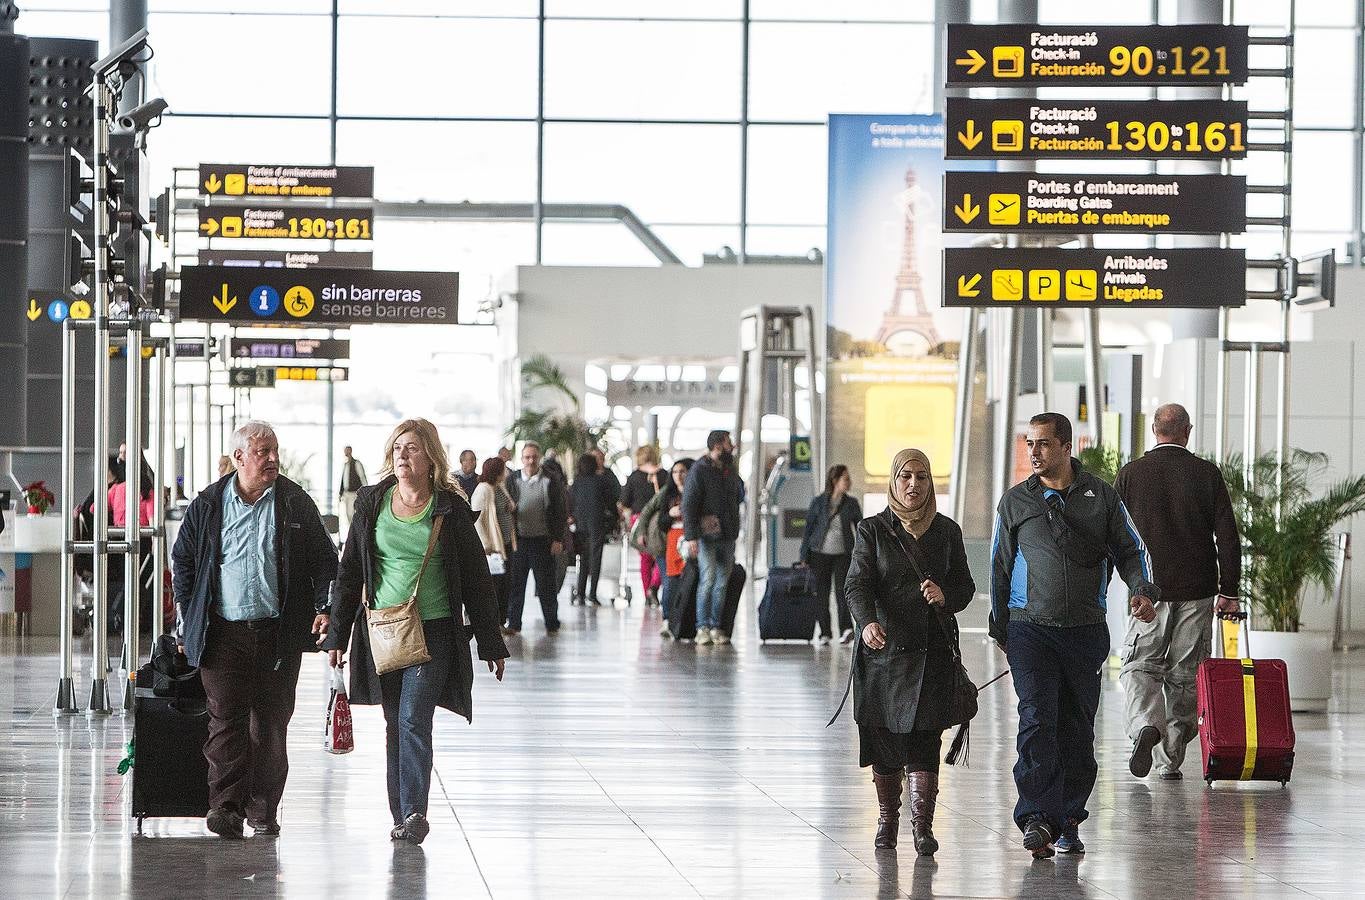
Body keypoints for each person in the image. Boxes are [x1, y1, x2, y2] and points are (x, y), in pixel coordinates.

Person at [325, 418, 509, 844]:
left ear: (431, 457)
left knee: (413, 718)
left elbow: (477, 578)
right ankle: (401, 813)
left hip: (435, 630)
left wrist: (491, 642)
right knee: (395, 722)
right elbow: (350, 571)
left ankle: (414, 811)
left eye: (411, 449)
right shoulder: (372, 502)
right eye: (397, 449)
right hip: (383, 630)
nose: (402, 456)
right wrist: (337, 637)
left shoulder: (450, 507)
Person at [989, 412, 1159, 858]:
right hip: (1030, 630)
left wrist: (1141, 589)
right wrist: (1000, 624)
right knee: (1036, 719)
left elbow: (1130, 548)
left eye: (1043, 444)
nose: (1034, 452)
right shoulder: (1015, 503)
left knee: (1077, 730)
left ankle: (1067, 820)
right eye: (1030, 444)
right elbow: (999, 566)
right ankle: (1036, 818)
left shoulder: (1099, 496)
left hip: (1084, 631)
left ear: (1066, 446)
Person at [170, 421, 338, 839]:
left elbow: (324, 558)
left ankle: (263, 810)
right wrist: (190, 613)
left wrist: (325, 606)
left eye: (274, 451)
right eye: (262, 452)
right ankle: (225, 807)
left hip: (277, 634)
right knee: (225, 721)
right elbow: (184, 560)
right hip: (222, 632)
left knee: (271, 724)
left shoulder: (294, 502)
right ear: (239, 457)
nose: (272, 459)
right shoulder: (209, 503)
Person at [845, 449, 975, 855]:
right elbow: (856, 585)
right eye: (905, 476)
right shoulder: (872, 530)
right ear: (893, 481)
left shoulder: (947, 531)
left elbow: (966, 587)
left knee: (924, 742)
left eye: (921, 476)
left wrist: (945, 595)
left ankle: (923, 828)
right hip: (883, 656)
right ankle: (887, 822)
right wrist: (867, 623)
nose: (914, 484)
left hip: (931, 656)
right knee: (884, 743)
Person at [1114, 403, 1241, 780]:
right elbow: (1228, 537)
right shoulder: (1206, 474)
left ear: (1154, 430)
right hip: (1198, 590)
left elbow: (1114, 535)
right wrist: (1228, 590)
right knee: (1186, 675)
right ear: (1187, 431)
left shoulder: (1130, 474)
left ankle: (1144, 726)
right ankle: (1169, 760)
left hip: (1147, 592)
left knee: (1139, 664)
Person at [683, 431, 743, 646]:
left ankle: (717, 626)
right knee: (708, 580)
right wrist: (692, 536)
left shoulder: (729, 470)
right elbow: (688, 504)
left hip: (727, 533)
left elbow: (739, 495)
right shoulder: (700, 470)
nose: (732, 446)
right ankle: (702, 627)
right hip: (707, 535)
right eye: (728, 443)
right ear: (718, 445)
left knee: (721, 582)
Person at [505, 442, 567, 635]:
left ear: (539, 458)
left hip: (543, 540)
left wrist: (558, 538)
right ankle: (514, 623)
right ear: (522, 459)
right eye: (527, 457)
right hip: (519, 541)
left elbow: (559, 510)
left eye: (533, 457)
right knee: (516, 584)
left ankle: (552, 623)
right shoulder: (513, 479)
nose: (530, 461)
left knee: (546, 585)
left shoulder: (550, 479)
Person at [799, 464, 864, 646]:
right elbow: (809, 530)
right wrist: (804, 555)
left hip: (843, 554)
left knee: (843, 592)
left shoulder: (851, 504)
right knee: (822, 593)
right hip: (819, 553)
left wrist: (862, 553)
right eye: (845, 479)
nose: (849, 482)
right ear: (835, 481)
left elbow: (860, 528)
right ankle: (825, 633)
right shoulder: (819, 502)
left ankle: (846, 630)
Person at [470, 457, 517, 631]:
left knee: (505, 586)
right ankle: (493, 624)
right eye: (503, 469)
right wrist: (486, 545)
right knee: (494, 587)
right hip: (493, 548)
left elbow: (508, 505)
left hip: (505, 545)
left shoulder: (499, 487)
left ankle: (501, 622)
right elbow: (478, 520)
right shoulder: (483, 489)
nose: (506, 472)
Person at [569, 453, 620, 607]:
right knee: (595, 559)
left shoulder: (576, 483)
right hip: (597, 523)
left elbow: (571, 502)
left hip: (580, 524)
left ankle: (580, 593)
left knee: (583, 559)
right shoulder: (601, 481)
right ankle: (592, 594)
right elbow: (611, 501)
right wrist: (615, 519)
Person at [620, 445, 662, 606]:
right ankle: (654, 586)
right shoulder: (663, 474)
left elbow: (625, 502)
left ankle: (647, 594)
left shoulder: (634, 477)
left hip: (639, 519)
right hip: (658, 519)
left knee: (644, 558)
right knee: (660, 555)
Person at [338, 446, 367, 535]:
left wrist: (365, 492)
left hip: (354, 493)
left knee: (352, 514)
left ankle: (356, 534)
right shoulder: (346, 464)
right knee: (347, 515)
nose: (345, 452)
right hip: (346, 494)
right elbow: (343, 480)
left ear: (350, 451)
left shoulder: (356, 464)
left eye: (347, 450)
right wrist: (341, 493)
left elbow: (362, 477)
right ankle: (352, 534)